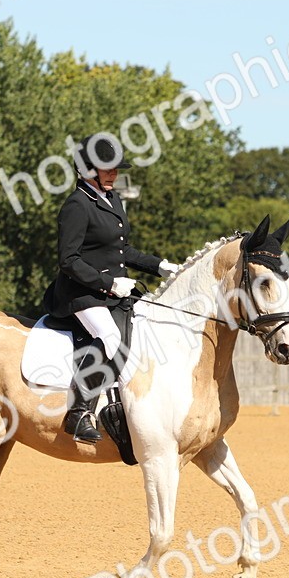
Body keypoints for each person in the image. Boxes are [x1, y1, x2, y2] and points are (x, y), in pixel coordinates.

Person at [41, 133, 180, 443]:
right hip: (81, 293)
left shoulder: (112, 198)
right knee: (110, 336)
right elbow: (68, 259)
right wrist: (109, 283)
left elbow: (122, 251)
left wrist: (159, 265)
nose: (115, 174)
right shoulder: (77, 204)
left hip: (113, 292)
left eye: (116, 169)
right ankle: (79, 414)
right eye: (108, 169)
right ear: (88, 169)